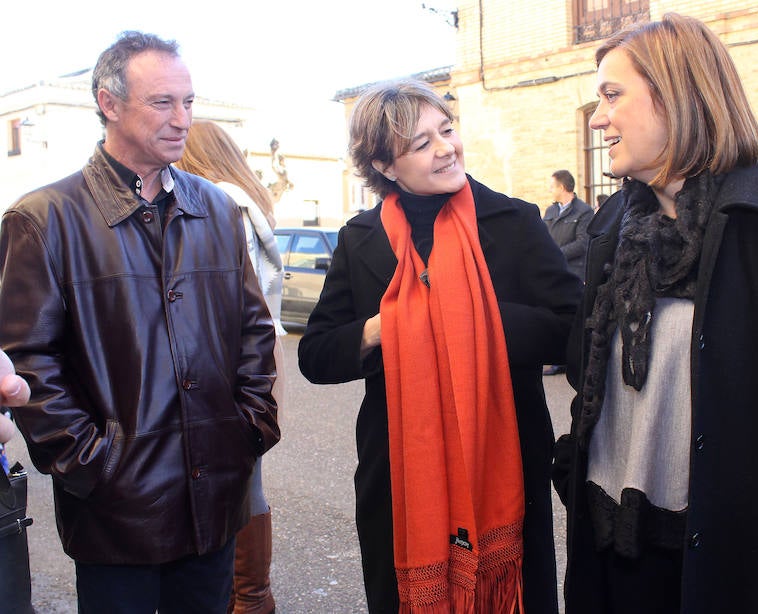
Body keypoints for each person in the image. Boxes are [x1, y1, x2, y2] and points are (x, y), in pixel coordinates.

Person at [552, 13, 758, 614]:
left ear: (676, 94)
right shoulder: (614, 225)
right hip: (611, 542)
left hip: (738, 558)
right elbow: (588, 373)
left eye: (611, 94)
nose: (598, 118)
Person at [0, 31, 280, 613]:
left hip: (215, 500)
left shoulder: (217, 208)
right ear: (108, 103)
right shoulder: (43, 218)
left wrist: (250, 428)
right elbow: (27, 359)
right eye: (162, 103)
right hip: (114, 514)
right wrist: (91, 463)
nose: (182, 119)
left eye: (189, 102)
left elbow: (253, 331)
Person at [298, 80, 582, 613]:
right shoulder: (361, 238)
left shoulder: (514, 221)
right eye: (422, 143)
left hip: (504, 461)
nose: (446, 147)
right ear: (384, 165)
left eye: (447, 130)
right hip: (398, 473)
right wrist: (385, 326)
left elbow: (572, 327)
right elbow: (314, 357)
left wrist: (471, 316)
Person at [176, 119, 285, 614]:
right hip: (260, 356)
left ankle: (247, 599)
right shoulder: (248, 200)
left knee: (235, 479)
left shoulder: (218, 203)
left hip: (228, 360)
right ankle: (251, 597)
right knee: (246, 476)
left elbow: (226, 303)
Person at [543, 169, 593, 375]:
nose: (550, 190)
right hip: (552, 271)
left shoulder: (584, 211)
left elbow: (583, 243)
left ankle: (571, 359)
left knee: (572, 316)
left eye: (552, 186)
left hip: (574, 272)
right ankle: (556, 356)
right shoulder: (550, 212)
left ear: (562, 188)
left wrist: (556, 254)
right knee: (552, 314)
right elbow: (543, 237)